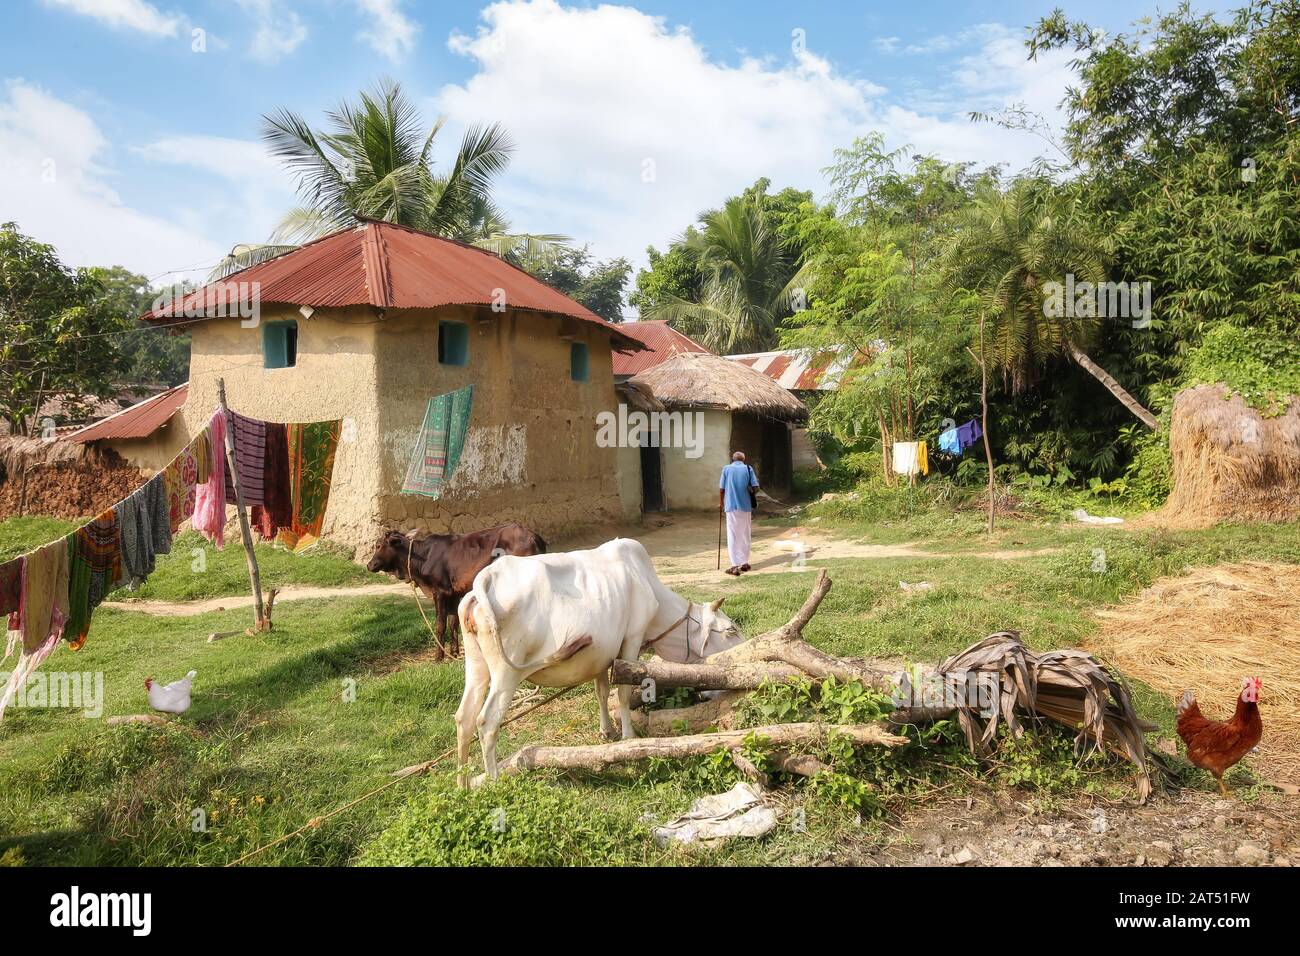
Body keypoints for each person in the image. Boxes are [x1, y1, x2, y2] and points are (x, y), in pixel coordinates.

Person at [718, 451, 759, 576]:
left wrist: (721, 502)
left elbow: (721, 488)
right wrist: (750, 491)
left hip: (731, 506)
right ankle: (745, 563)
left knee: (733, 535)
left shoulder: (726, 469)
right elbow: (756, 487)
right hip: (745, 506)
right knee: (745, 534)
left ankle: (734, 566)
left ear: (732, 459)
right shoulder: (748, 468)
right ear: (743, 460)